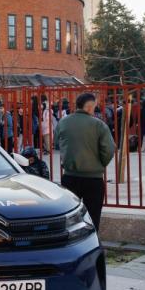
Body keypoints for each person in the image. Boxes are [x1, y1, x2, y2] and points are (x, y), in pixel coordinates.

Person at [56, 92, 115, 229]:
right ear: (89, 107)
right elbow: (109, 150)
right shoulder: (99, 125)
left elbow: (58, 143)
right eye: (94, 106)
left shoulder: (63, 122)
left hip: (69, 176)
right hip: (93, 178)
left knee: (69, 216)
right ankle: (91, 244)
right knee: (92, 216)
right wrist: (100, 163)